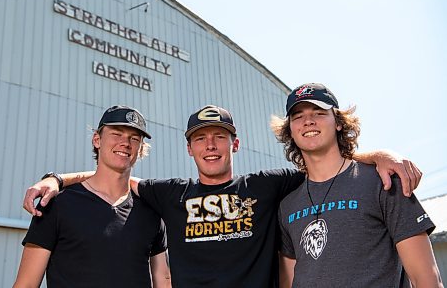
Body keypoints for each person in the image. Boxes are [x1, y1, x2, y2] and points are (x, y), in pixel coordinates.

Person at [24, 105, 422, 287]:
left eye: (220, 137)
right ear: (189, 149)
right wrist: (56, 180)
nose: (210, 145)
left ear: (235, 144)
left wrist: (378, 156)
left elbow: (322, 161)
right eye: (200, 139)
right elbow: (113, 178)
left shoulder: (268, 185)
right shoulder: (167, 194)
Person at [271, 83, 443, 287]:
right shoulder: (287, 205)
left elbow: (427, 278)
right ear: (290, 130)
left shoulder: (383, 181)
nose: (308, 121)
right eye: (298, 116)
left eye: (319, 112)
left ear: (338, 122)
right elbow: (289, 281)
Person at [14, 106, 171, 287]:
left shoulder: (150, 212)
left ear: (141, 148)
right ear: (97, 140)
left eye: (134, 138)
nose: (126, 143)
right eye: (116, 134)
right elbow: (26, 284)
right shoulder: (57, 204)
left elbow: (163, 279)